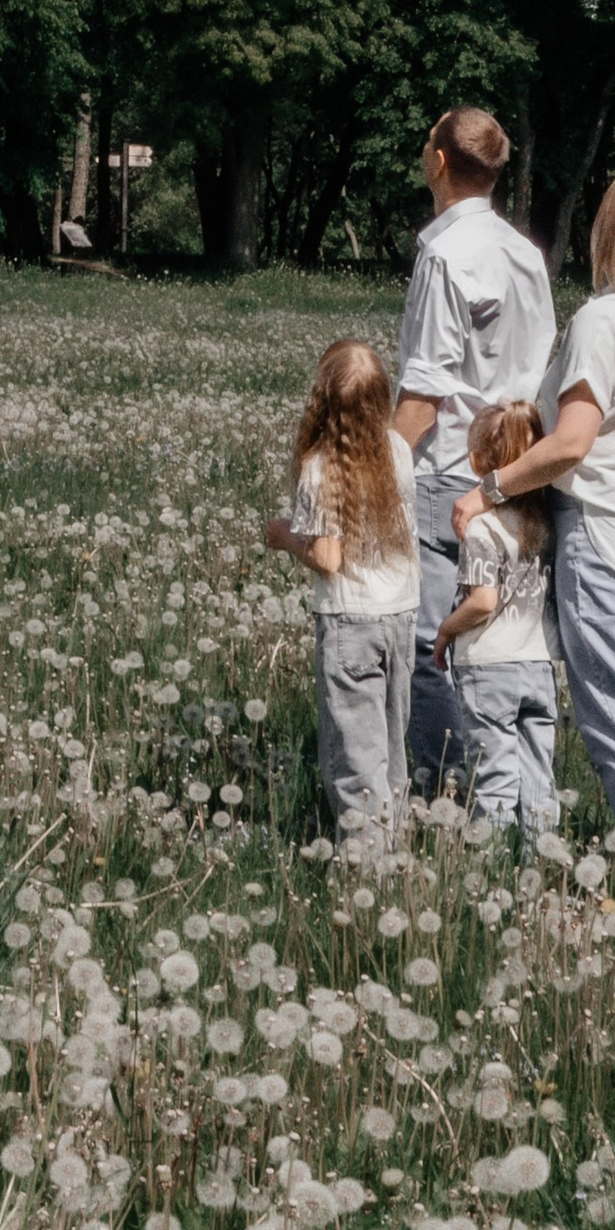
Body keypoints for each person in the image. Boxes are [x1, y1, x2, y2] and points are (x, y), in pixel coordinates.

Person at [482, 171, 615, 884]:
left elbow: (573, 443)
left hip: (601, 540)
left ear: (613, 237)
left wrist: (493, 487)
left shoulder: (603, 321)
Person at [390, 107, 556, 798]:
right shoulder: (525, 253)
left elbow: (424, 397)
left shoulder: (443, 256)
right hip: (516, 474)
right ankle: (518, 792)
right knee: (509, 643)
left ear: (437, 162)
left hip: (450, 478)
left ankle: (445, 787)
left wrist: (374, 472)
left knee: (433, 646)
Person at [263, 334, 418, 850]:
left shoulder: (320, 469)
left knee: (356, 760)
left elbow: (327, 558)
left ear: (321, 403)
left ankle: (362, 880)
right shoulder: (397, 450)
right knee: (392, 752)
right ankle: (394, 857)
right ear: (383, 399)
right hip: (400, 619)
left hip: (351, 624)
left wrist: (285, 537)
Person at [430, 397, 555, 845]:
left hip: (489, 669)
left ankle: (494, 866)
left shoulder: (482, 529)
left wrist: (446, 629)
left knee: (495, 779)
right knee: (539, 777)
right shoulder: (541, 525)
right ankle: (541, 859)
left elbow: (483, 601)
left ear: (475, 461)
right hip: (539, 665)